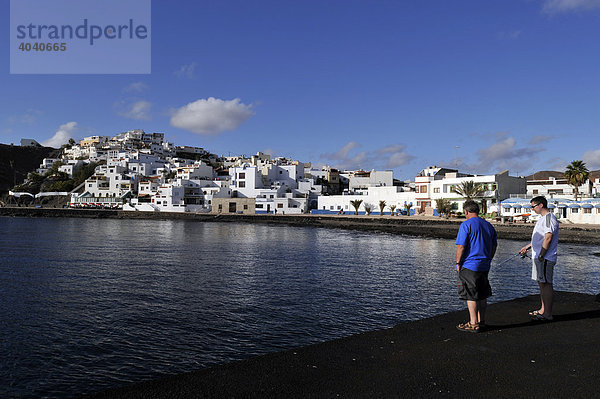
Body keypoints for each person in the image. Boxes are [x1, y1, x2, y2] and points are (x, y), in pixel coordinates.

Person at [455, 200, 498, 333]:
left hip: (470, 265)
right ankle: (481, 321)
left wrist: (458, 263)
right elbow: (494, 245)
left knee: (471, 294)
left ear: (466, 211)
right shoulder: (488, 225)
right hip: (484, 264)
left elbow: (461, 246)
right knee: (482, 294)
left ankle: (473, 323)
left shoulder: (465, 225)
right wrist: (489, 258)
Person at [519, 196, 559, 321]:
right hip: (540, 257)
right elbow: (541, 238)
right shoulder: (543, 219)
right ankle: (543, 310)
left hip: (545, 258)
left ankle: (547, 314)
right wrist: (529, 246)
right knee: (541, 283)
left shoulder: (548, 218)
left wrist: (542, 254)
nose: (532, 209)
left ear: (541, 205)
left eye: (533, 206)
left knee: (546, 284)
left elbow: (548, 237)